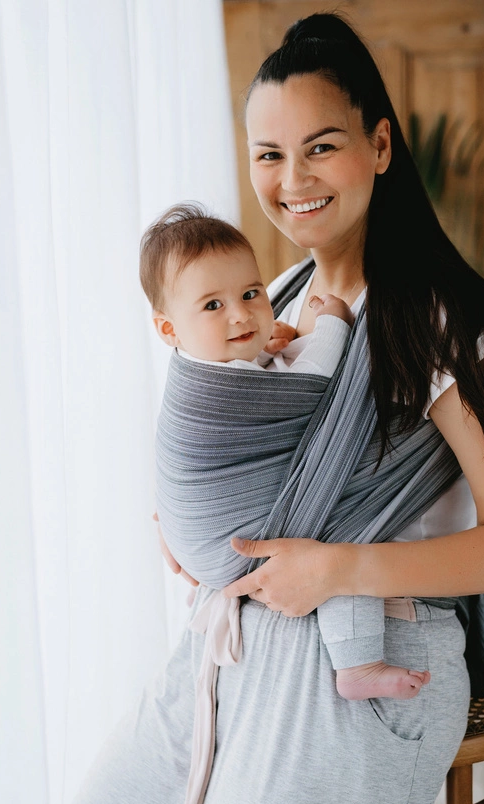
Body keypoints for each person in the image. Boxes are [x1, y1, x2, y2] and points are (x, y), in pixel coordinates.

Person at [58, 12, 484, 804]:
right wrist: (190, 516)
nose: (292, 181)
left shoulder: (448, 326)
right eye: (269, 155)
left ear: (379, 146)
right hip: (242, 635)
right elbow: (234, 444)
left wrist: (339, 568)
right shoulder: (274, 297)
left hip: (378, 647)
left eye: (320, 147)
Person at [143, 202, 430, 701]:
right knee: (339, 521)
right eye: (213, 306)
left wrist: (260, 349)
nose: (241, 314)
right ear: (169, 330)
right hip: (228, 537)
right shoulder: (212, 387)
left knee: (326, 527)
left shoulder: (212, 355)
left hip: (198, 546)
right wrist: (335, 323)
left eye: (250, 294)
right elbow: (312, 384)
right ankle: (358, 663)